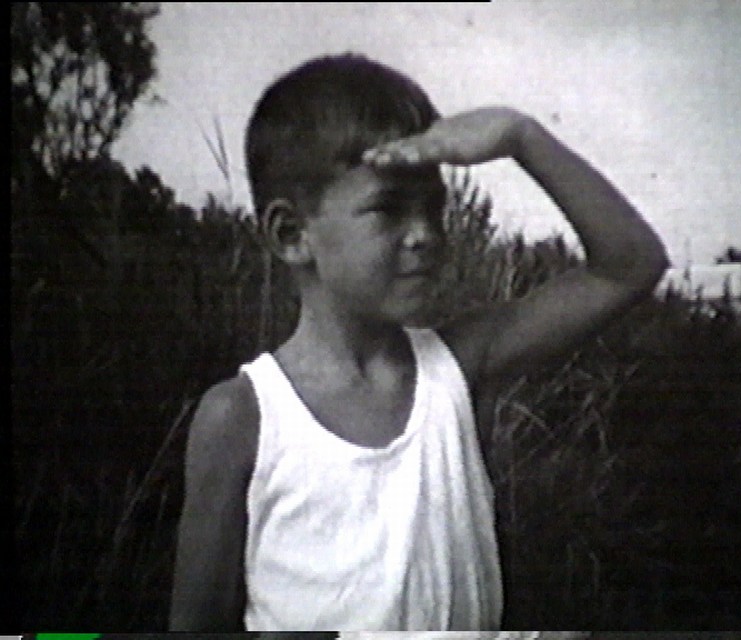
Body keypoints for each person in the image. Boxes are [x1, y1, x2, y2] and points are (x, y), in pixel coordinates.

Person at [169, 53, 668, 631]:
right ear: (291, 234)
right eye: (388, 210)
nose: (425, 234)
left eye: (435, 208)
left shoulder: (456, 366)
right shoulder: (241, 416)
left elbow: (631, 265)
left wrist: (521, 137)